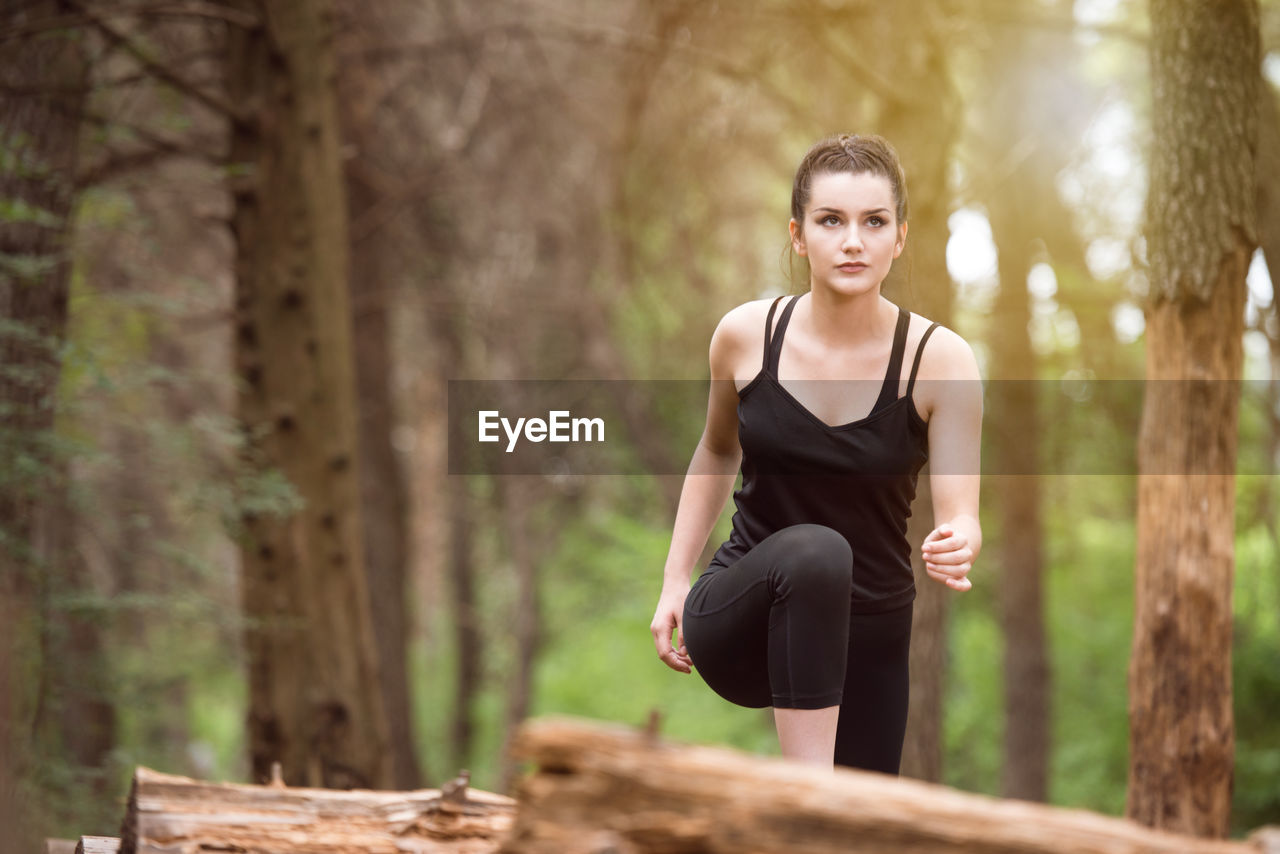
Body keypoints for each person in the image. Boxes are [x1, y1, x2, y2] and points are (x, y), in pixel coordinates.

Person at [648, 133, 982, 773]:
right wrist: (673, 578)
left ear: (900, 237)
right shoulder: (745, 337)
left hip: (869, 636)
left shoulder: (941, 361)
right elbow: (717, 451)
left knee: (864, 837)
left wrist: (960, 537)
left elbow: (961, 511)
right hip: (744, 617)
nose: (852, 240)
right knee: (818, 550)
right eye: (831, 220)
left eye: (873, 221)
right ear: (799, 236)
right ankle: (806, 795)